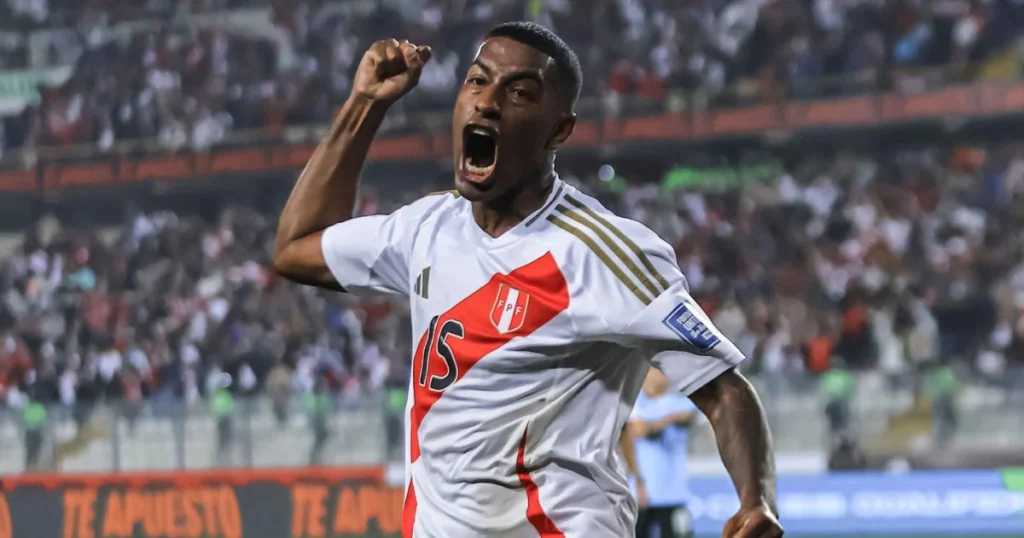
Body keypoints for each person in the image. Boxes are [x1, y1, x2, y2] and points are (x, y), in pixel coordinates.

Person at [273, 21, 781, 538]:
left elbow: (723, 389)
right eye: (476, 80)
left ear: (559, 130)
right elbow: (296, 248)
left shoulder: (602, 252)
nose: (486, 103)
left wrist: (756, 499)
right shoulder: (427, 228)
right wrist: (366, 104)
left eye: (519, 92)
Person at [629, 368, 698, 538]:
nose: (662, 375)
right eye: (656, 370)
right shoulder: (635, 402)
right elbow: (639, 429)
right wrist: (669, 419)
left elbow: (691, 417)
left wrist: (657, 422)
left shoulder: (681, 402)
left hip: (675, 492)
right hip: (643, 492)